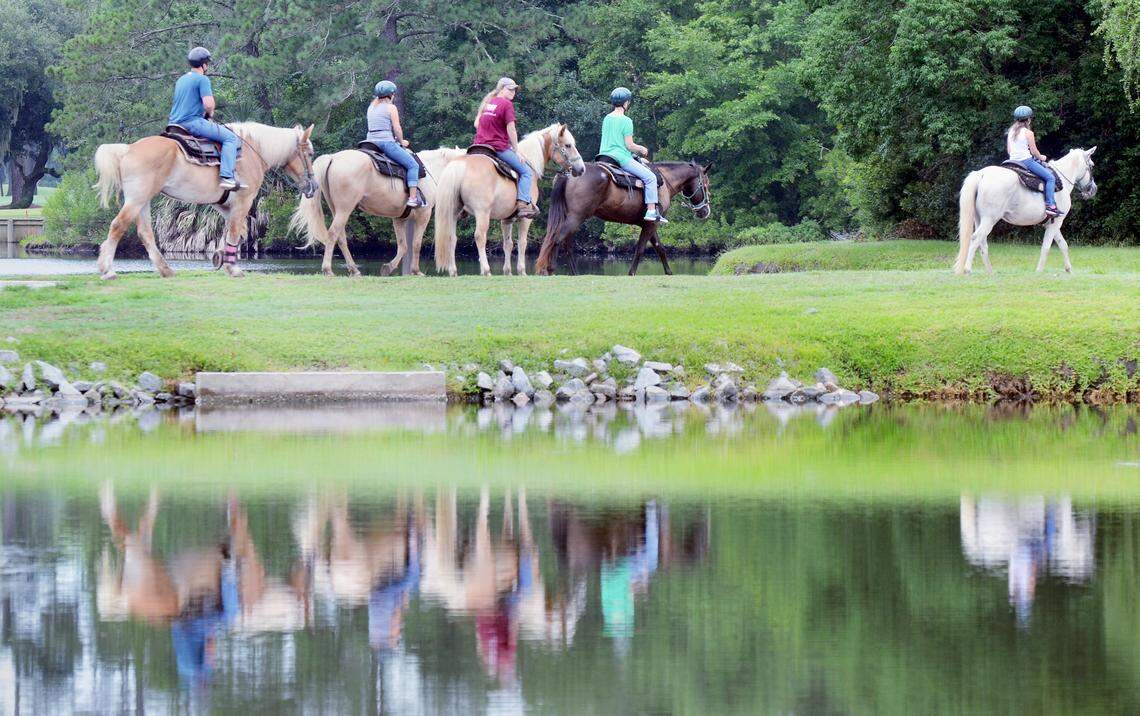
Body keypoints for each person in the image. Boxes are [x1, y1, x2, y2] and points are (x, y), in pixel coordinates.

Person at [169, 47, 244, 191]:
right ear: (203, 64)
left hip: (174, 124)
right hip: (192, 123)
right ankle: (227, 177)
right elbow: (208, 104)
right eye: (207, 63)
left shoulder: (181, 80)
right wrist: (210, 113)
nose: (207, 66)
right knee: (231, 139)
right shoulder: (202, 79)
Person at [473, 77, 538, 219]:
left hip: (478, 147)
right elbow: (511, 129)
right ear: (502, 88)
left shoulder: (488, 102)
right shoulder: (506, 104)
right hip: (497, 147)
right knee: (526, 172)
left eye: (515, 89)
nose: (513, 92)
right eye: (510, 89)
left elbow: (476, 124)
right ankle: (523, 205)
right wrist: (516, 150)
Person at [599, 87, 666, 224]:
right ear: (626, 103)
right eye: (628, 102)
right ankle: (651, 211)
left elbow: (614, 142)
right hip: (620, 158)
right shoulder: (626, 121)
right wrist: (641, 149)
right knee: (651, 178)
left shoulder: (607, 118)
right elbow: (629, 146)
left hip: (604, 156)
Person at [366, 81, 425, 207]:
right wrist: (401, 142)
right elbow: (397, 128)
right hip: (385, 142)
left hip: (369, 142)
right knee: (413, 165)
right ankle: (413, 198)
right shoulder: (391, 107)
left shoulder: (371, 107)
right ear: (391, 94)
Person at [1007, 106, 1061, 217]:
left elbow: (1009, 150)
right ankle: (1050, 206)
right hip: (1026, 161)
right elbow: (1034, 151)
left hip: (1011, 162)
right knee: (1050, 178)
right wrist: (1042, 158)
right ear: (1028, 120)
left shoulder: (1010, 132)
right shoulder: (1028, 133)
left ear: (1016, 120)